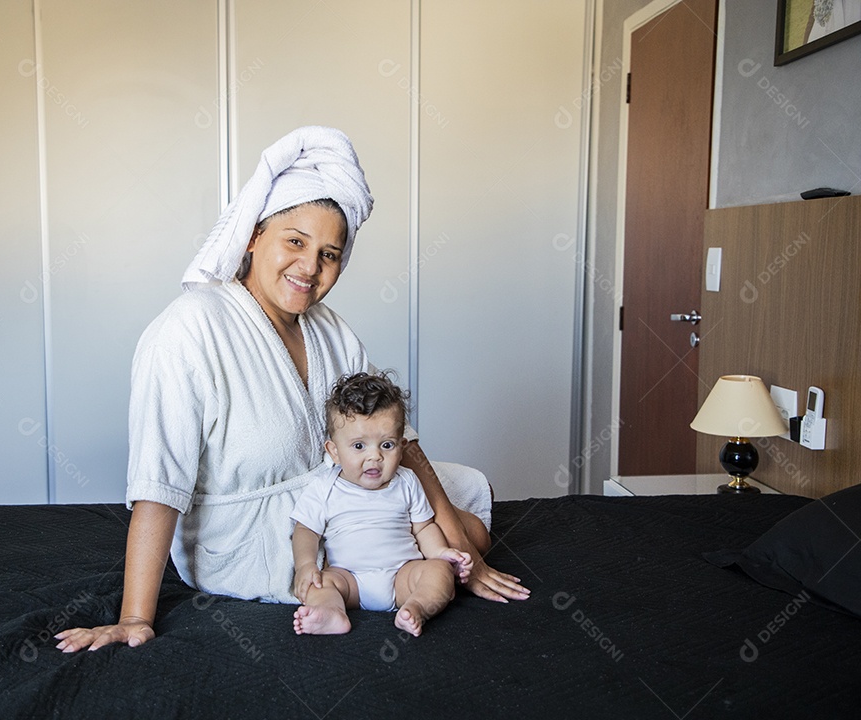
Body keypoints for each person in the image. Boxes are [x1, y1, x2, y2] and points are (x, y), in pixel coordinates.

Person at [56, 126, 529, 654]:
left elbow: (399, 437)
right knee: (443, 540)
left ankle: (439, 546)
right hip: (255, 535)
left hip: (342, 484)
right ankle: (383, 572)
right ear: (254, 235)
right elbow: (159, 484)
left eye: (329, 254)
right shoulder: (188, 330)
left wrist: (467, 550)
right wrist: (135, 616)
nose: (310, 268)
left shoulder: (328, 328)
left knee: (466, 517)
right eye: (295, 242)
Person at [291, 372, 472, 637]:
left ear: (402, 445)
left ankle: (417, 607)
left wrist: (441, 552)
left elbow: (424, 528)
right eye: (359, 446)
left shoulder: (407, 481)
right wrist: (305, 566)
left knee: (439, 572)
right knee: (319, 584)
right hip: (348, 579)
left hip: (403, 575)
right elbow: (305, 530)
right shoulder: (324, 487)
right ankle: (332, 612)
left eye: (386, 445)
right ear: (334, 452)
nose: (374, 456)